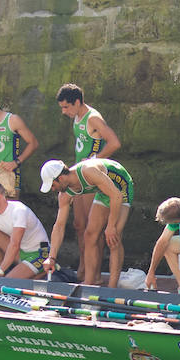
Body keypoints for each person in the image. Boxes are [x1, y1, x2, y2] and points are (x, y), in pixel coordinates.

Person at [56, 84, 122, 282]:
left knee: (92, 229)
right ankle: (83, 267)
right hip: (78, 176)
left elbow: (114, 143)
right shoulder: (77, 117)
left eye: (66, 107)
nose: (63, 111)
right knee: (79, 225)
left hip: (91, 178)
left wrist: (94, 161)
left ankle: (94, 274)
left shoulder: (92, 118)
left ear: (77, 102)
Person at [39, 157, 133, 287]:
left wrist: (111, 226)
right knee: (89, 235)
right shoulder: (64, 194)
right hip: (104, 191)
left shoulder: (88, 171)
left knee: (114, 237)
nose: (53, 189)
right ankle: (89, 283)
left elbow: (116, 196)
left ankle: (112, 287)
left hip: (120, 189)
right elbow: (59, 226)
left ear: (60, 178)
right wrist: (52, 257)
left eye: (53, 185)